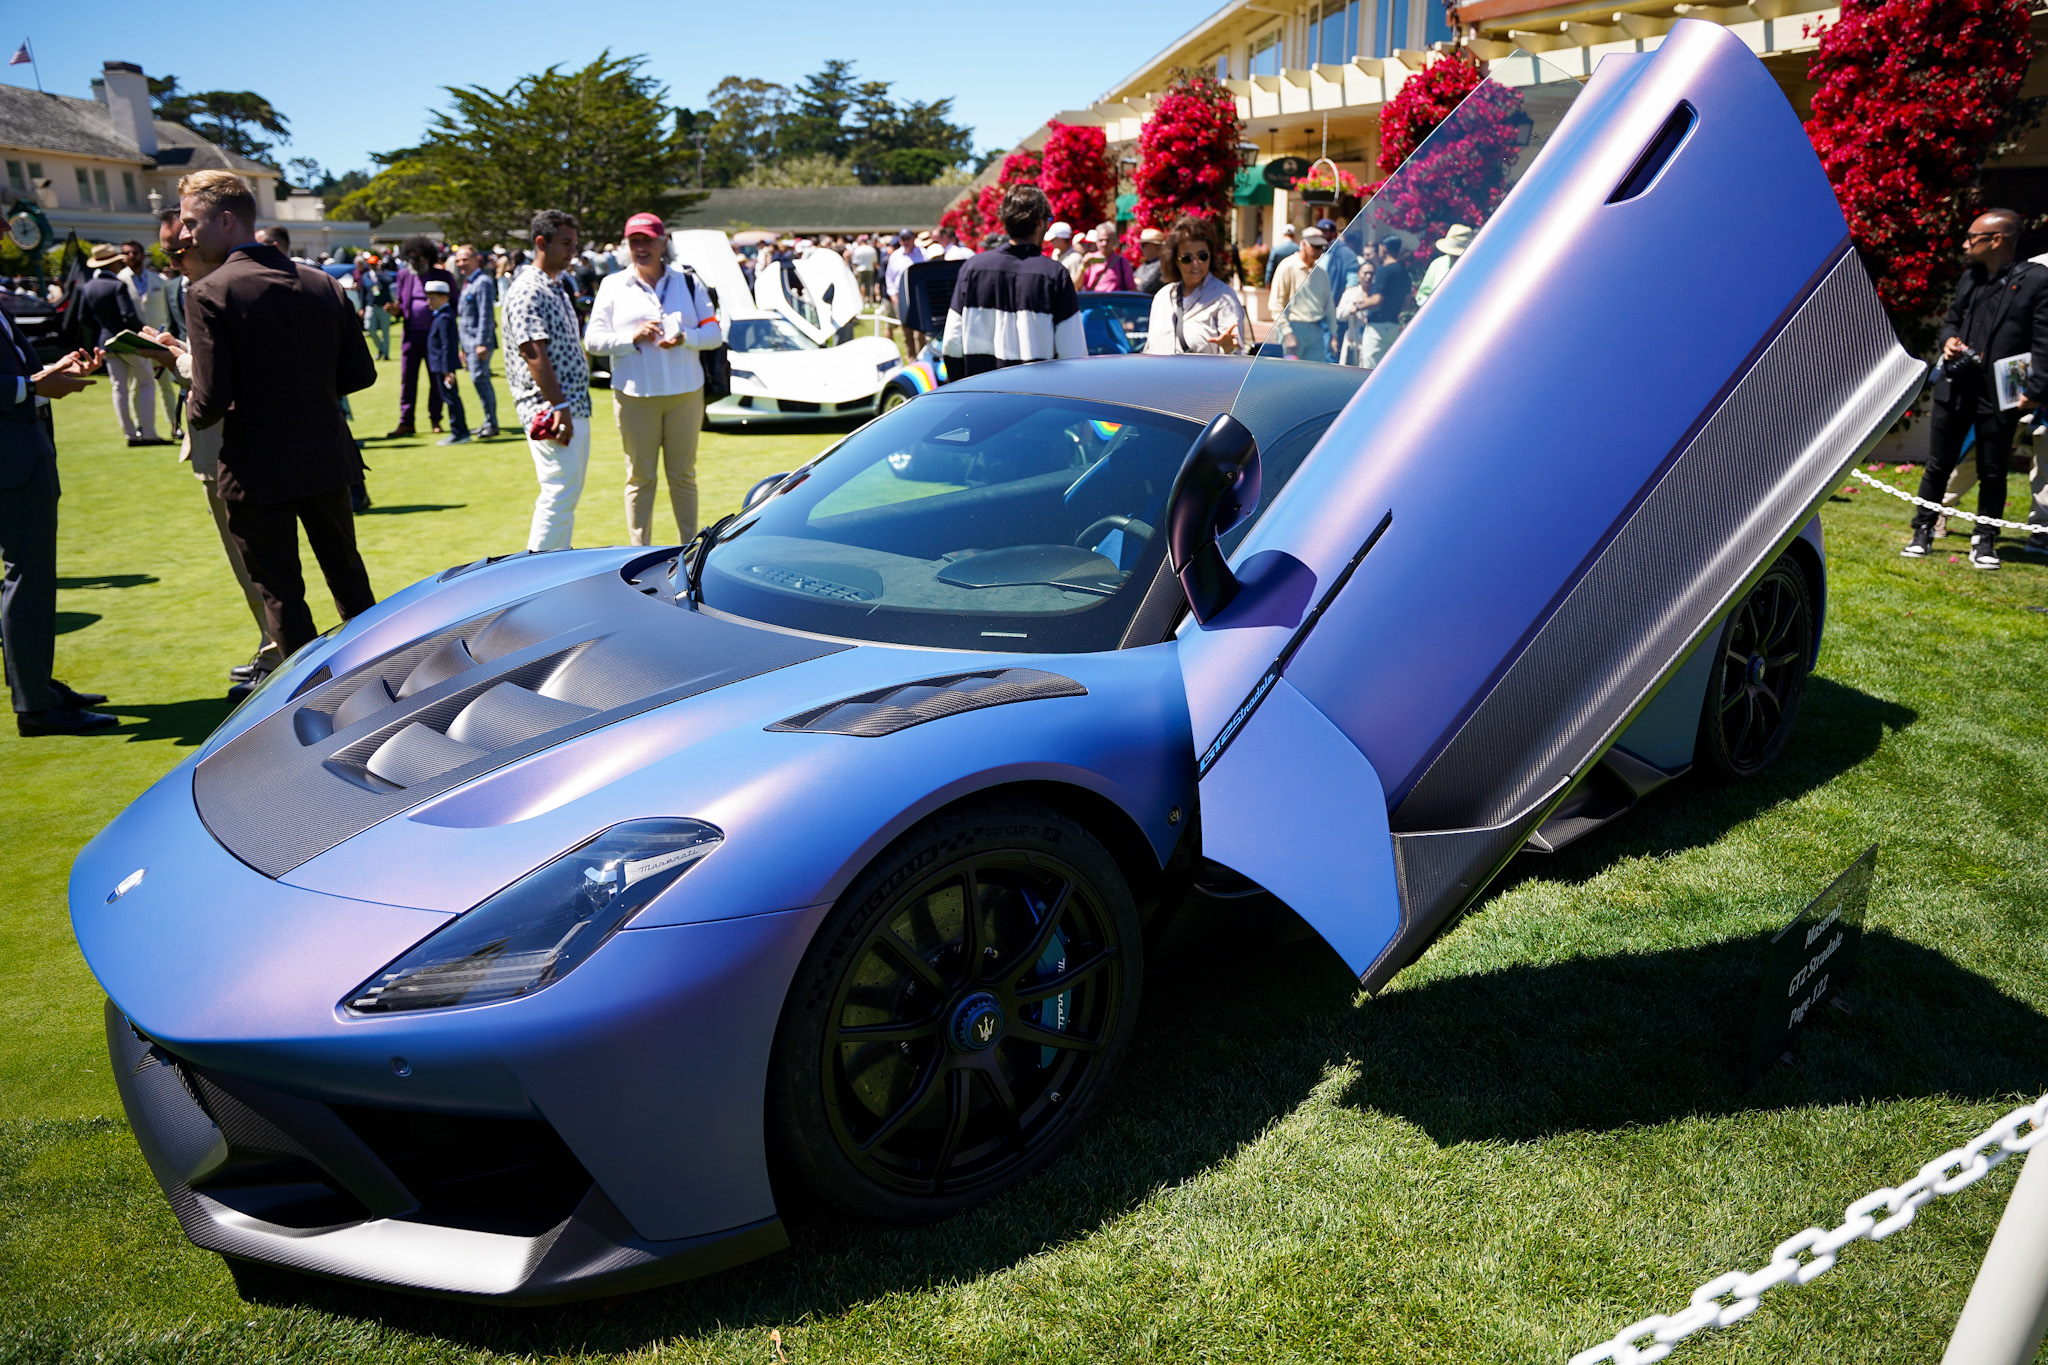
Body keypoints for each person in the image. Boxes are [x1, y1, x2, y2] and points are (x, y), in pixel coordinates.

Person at [180, 169, 378, 659]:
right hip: (324, 451)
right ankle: (383, 676)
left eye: (191, 222)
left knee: (281, 594)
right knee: (349, 578)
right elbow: (361, 372)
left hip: (256, 464)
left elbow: (209, 400)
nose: (187, 235)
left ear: (227, 221)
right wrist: (305, 391)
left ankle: (308, 697)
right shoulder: (322, 283)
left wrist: (185, 384)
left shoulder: (208, 292)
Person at [139, 208, 282, 698]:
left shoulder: (227, 288)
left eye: (180, 248)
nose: (175, 259)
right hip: (217, 446)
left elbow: (220, 378)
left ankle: (280, 656)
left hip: (236, 446)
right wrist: (179, 350)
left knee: (257, 563)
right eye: (168, 251)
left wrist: (174, 359)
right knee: (248, 562)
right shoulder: (194, 286)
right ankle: (271, 645)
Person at [1901, 209, 2048, 568]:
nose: (1966, 245)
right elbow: (1951, 320)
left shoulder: (2036, 280)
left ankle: (1985, 541)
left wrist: (2035, 389)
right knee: (1938, 465)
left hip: (2002, 392)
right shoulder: (1971, 277)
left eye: (1972, 238)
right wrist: (1949, 340)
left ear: (1996, 240)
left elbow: (2044, 339)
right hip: (1956, 386)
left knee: (1992, 469)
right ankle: (1923, 530)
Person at [1, 302, 112, 733]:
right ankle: (35, 704)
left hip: (24, 454)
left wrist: (55, 372)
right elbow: (20, 385)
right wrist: (29, 386)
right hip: (12, 463)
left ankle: (36, 687)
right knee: (27, 579)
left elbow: (21, 373)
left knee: (32, 578)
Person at [584, 211, 723, 546]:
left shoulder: (687, 281)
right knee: (640, 477)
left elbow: (714, 335)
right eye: (634, 241)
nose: (641, 247)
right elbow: (593, 340)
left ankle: (688, 550)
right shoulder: (613, 284)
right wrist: (631, 337)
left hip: (685, 393)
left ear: (663, 243)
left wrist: (684, 337)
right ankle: (638, 553)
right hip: (634, 396)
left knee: (683, 475)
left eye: (647, 240)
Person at [503, 209, 593, 552]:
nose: (573, 251)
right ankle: (538, 571)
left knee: (565, 493)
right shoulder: (528, 289)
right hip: (550, 409)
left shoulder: (554, 285)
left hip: (569, 405)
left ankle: (555, 563)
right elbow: (533, 352)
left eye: (574, 244)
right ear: (541, 243)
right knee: (558, 492)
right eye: (566, 243)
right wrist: (559, 405)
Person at [941, 185, 1087, 381]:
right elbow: (1072, 353)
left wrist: (963, 385)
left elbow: (951, 342)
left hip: (980, 392)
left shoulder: (972, 269)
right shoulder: (1054, 275)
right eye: (1049, 220)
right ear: (1039, 223)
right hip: (1036, 394)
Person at [78, 243, 157, 446]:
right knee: (146, 382)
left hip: (106, 342)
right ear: (113, 264)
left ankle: (130, 435)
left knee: (119, 388)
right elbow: (128, 315)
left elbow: (83, 318)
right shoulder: (117, 285)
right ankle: (148, 433)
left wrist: (104, 327)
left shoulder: (88, 287)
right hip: (126, 341)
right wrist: (145, 332)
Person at [1144, 214, 1247, 356]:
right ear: (1175, 260)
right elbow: (1149, 350)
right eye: (1187, 258)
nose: (1196, 263)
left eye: (1202, 256)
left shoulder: (1224, 297)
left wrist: (1230, 349)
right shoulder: (1163, 297)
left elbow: (1236, 357)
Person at [385, 235, 454, 437]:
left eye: (418, 258)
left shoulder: (442, 276)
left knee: (436, 379)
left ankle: (436, 419)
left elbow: (453, 304)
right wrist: (396, 311)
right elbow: (402, 305)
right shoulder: (404, 276)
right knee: (408, 380)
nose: (414, 262)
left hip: (434, 336)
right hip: (411, 335)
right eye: (411, 258)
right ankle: (406, 422)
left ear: (428, 258)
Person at [118, 239, 182, 440]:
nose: (131, 256)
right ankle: (142, 427)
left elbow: (168, 311)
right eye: (127, 253)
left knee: (166, 385)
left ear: (143, 255)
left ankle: (175, 425)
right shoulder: (119, 280)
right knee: (137, 386)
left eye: (135, 252)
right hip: (136, 343)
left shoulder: (159, 280)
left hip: (160, 339)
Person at [451, 243, 500, 438]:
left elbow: (486, 316)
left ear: (476, 259)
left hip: (479, 342)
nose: (461, 264)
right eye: (458, 260)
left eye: (465, 259)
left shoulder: (482, 282)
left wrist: (481, 343)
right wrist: (463, 347)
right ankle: (488, 421)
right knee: (478, 380)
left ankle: (491, 423)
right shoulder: (468, 283)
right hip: (469, 343)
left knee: (480, 379)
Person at [1270, 225, 1334, 362]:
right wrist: (1287, 333)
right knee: (1290, 372)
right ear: (1303, 244)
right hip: (1293, 327)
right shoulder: (1287, 266)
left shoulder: (1321, 273)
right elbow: (1275, 304)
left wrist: (1333, 333)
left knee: (1315, 372)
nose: (1319, 251)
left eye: (1321, 247)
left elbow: (1329, 305)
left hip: (1316, 329)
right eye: (1315, 246)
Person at [1353, 236, 1411, 370]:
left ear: (1383, 249)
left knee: (1370, 368)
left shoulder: (1383, 270)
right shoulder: (1403, 272)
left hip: (1377, 328)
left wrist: (1358, 306)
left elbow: (1377, 299)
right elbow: (1408, 304)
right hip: (1394, 326)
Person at [424, 280, 469, 446]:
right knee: (449, 397)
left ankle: (459, 432)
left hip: (444, 366)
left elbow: (446, 345)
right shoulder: (441, 315)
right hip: (441, 365)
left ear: (444, 298)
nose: (429, 301)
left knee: (451, 398)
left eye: (433, 298)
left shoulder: (444, 317)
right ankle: (460, 430)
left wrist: (447, 370)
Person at [885, 230, 926, 353]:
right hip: (901, 296)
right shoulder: (895, 256)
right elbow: (889, 277)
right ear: (899, 240)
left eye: (908, 238)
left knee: (920, 331)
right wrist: (893, 295)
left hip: (918, 295)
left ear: (913, 238)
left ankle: (921, 356)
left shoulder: (923, 253)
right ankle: (911, 356)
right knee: (906, 330)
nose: (906, 241)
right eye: (903, 239)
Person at [1414, 223, 1470, 308]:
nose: (1455, 257)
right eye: (1453, 255)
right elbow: (1422, 294)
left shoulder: (1474, 268)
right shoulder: (1437, 265)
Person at [355, 251, 392, 361]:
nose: (373, 266)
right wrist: (362, 307)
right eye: (371, 264)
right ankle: (381, 348)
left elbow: (389, 282)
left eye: (374, 264)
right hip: (371, 305)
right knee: (369, 328)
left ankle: (386, 354)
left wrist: (378, 274)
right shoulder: (366, 276)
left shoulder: (384, 274)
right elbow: (363, 293)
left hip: (384, 306)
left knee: (385, 331)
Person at [1080, 224, 1135, 292]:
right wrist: (1082, 267)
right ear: (1097, 241)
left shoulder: (1122, 262)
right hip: (1093, 297)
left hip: (1114, 298)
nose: (1104, 243)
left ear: (1114, 241)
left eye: (1108, 240)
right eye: (1101, 240)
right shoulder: (1090, 259)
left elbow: (1131, 288)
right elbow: (1076, 286)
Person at [1134, 227, 1167, 294]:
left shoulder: (1161, 266)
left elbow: (1142, 288)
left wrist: (1135, 281)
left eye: (1143, 245)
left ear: (1156, 245)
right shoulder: (1146, 264)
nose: (1140, 248)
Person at [850, 233, 879, 305]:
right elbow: (874, 262)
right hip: (870, 269)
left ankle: (858, 300)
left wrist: (855, 271)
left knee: (858, 286)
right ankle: (869, 301)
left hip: (860, 270)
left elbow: (855, 262)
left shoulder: (857, 249)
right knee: (869, 286)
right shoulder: (872, 249)